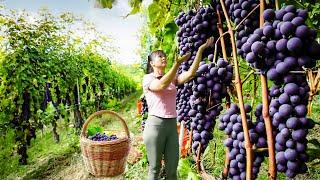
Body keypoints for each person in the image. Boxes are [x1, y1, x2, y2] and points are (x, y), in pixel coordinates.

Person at [142, 37, 214, 180]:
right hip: (155, 125)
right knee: (155, 168)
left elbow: (190, 73)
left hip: (171, 125)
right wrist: (176, 64)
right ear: (152, 63)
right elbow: (161, 85)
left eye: (164, 55)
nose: (163, 57)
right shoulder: (148, 78)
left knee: (172, 168)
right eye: (159, 56)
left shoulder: (171, 78)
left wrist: (200, 50)